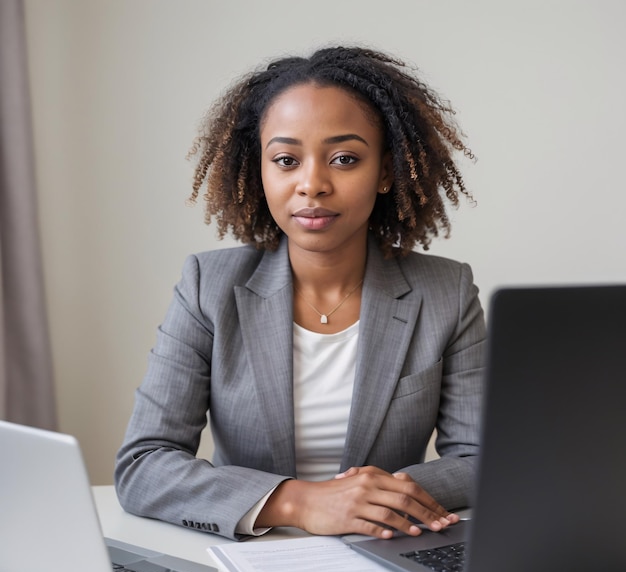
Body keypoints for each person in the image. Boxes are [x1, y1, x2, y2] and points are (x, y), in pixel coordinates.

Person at [115, 46, 486, 542]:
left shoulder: (446, 291)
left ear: (386, 172)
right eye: (286, 160)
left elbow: (484, 459)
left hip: (388, 553)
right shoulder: (208, 286)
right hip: (253, 554)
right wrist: (300, 501)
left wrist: (377, 498)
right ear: (260, 172)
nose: (312, 184)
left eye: (345, 159)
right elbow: (143, 464)